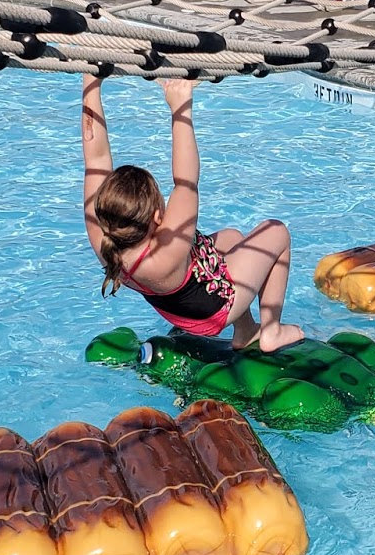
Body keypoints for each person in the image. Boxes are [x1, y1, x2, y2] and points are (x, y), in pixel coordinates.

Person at [80, 76, 303, 352]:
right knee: (275, 230)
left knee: (232, 238)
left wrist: (91, 84)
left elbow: (96, 160)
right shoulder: (167, 249)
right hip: (215, 312)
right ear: (156, 218)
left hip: (176, 310)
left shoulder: (103, 237)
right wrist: (180, 107)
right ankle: (272, 331)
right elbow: (186, 181)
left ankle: (245, 331)